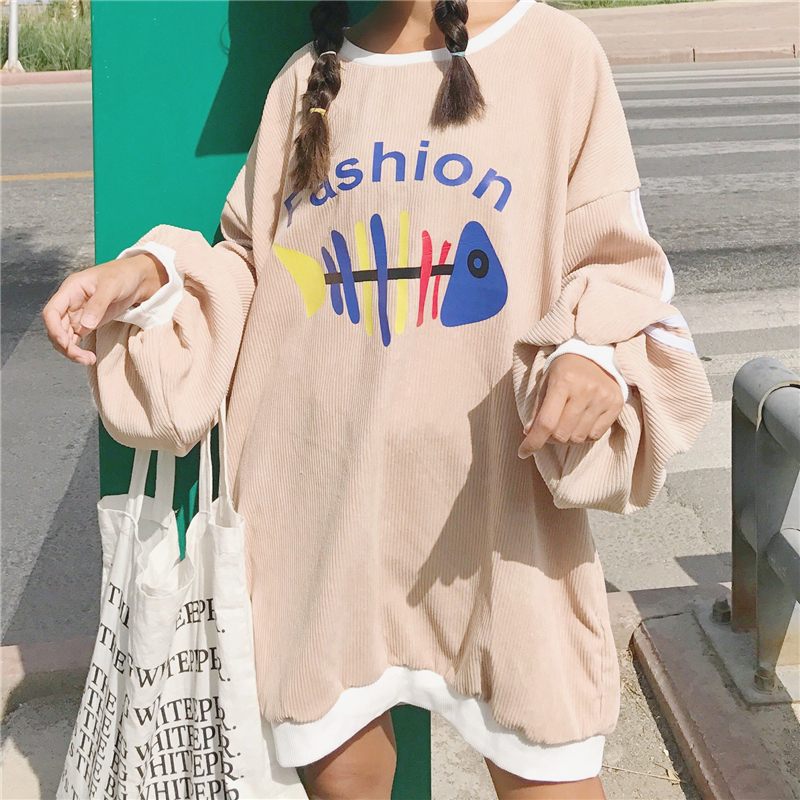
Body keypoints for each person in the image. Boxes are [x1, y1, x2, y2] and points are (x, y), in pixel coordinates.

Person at [42, 1, 713, 798]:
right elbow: (250, 263)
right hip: (321, 509)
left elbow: (619, 264)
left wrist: (591, 353)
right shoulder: (306, 82)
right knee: (345, 776)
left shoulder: (557, 55)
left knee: (549, 759)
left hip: (499, 509)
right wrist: (147, 276)